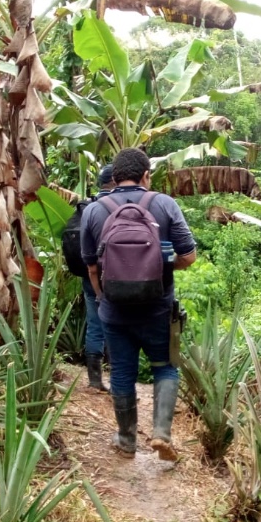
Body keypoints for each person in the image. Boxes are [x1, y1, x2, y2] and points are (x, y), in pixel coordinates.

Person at [79, 148, 197, 461]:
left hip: (114, 311)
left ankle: (127, 439)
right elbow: (188, 256)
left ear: (114, 177)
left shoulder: (94, 210)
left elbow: (91, 266)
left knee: (121, 372)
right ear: (147, 175)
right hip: (158, 307)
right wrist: (156, 270)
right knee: (165, 367)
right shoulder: (164, 204)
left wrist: (104, 296)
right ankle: (161, 433)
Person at [80, 164, 115, 392]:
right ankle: (118, 382)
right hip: (119, 276)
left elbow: (87, 254)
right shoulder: (119, 207)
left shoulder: (89, 208)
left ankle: (94, 380)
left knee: (95, 323)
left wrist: (94, 282)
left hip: (90, 276)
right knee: (118, 325)